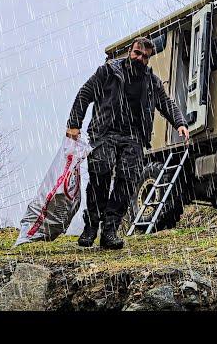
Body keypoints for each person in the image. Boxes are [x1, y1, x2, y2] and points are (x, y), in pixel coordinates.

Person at [66, 36, 189, 249]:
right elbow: (84, 94)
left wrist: (179, 122)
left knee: (127, 180)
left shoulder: (152, 81)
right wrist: (74, 124)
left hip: (134, 137)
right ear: (130, 52)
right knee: (100, 173)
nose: (140, 58)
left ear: (148, 59)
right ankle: (92, 225)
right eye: (137, 53)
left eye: (144, 57)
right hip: (104, 132)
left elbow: (166, 103)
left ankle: (110, 230)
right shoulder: (107, 72)